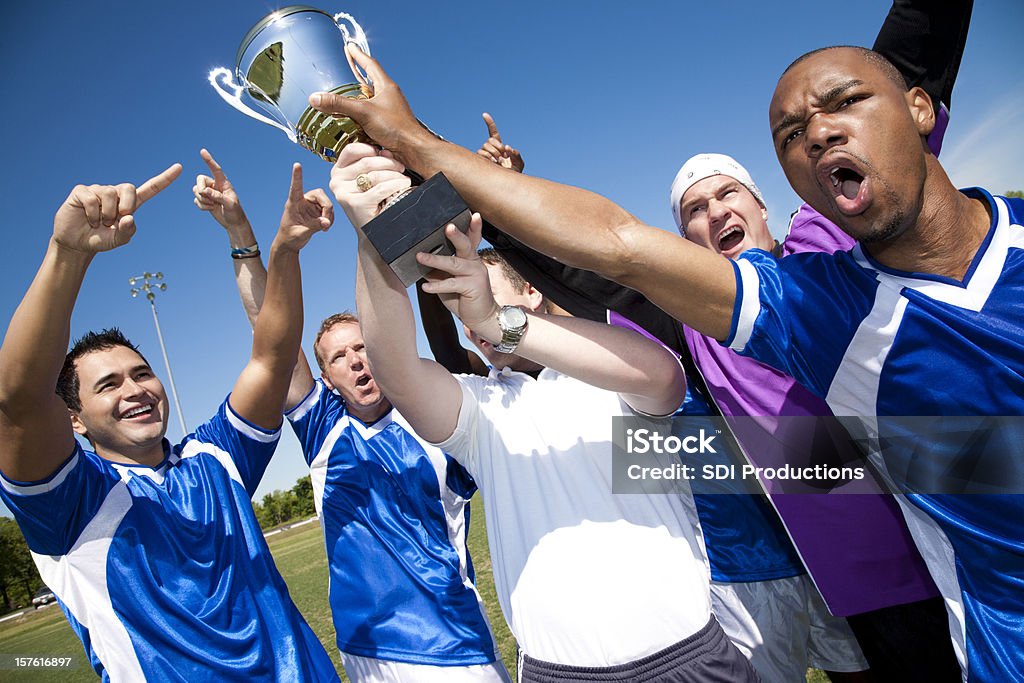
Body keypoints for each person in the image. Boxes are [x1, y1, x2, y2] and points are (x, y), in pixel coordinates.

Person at [309, 39, 1023, 681]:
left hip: (884, 567)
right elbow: (603, 261)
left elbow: (898, 84)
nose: (714, 213)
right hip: (748, 577)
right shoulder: (701, 320)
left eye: (727, 195)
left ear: (770, 204)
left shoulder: (828, 263)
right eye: (693, 210)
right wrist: (456, 197)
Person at [334, 142, 759, 682]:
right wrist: (373, 239)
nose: (469, 325)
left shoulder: (602, 369)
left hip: (689, 658)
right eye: (460, 313)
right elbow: (394, 366)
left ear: (530, 292)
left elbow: (661, 377)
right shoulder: (480, 410)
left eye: (476, 296)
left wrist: (498, 320)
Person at [0, 163, 340, 680]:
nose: (134, 390)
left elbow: (273, 355)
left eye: (141, 373)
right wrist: (68, 254)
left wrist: (277, 249)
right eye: (108, 384)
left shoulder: (215, 457)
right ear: (75, 420)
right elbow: (18, 400)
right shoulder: (66, 505)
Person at [193, 150, 510, 683]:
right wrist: (240, 236)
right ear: (327, 380)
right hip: (364, 657)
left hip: (455, 649)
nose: (356, 360)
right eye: (338, 357)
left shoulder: (438, 419)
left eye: (363, 346)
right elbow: (269, 330)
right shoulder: (322, 428)